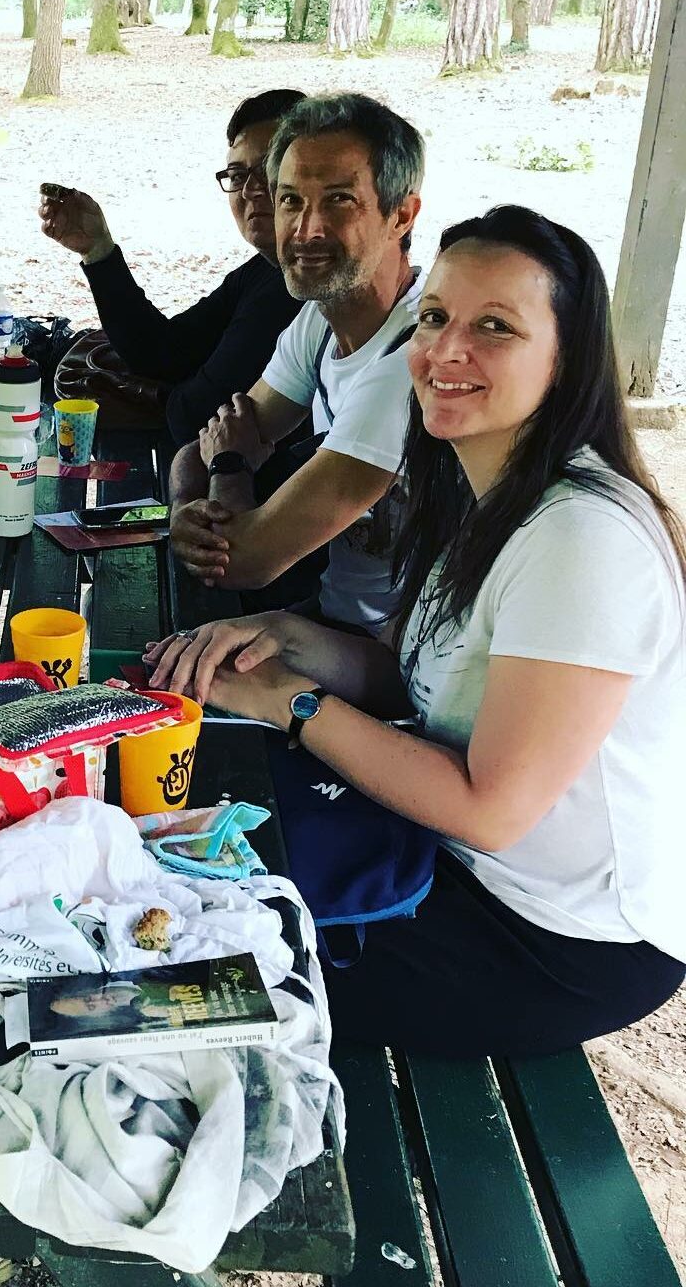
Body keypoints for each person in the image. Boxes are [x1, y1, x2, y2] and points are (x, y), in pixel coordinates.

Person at [146, 206, 686, 1057]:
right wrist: (281, 635)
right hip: (445, 862)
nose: (445, 350)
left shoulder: (583, 539)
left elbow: (492, 810)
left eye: (495, 327)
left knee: (187, 975)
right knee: (174, 866)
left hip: (551, 938)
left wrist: (293, 701)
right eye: (434, 317)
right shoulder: (484, 489)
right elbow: (417, 679)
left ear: (568, 358)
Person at [170, 92, 426, 634]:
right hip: (335, 620)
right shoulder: (320, 319)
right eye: (290, 200)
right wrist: (182, 512)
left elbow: (245, 561)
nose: (306, 230)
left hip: (404, 659)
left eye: (338, 201)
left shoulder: (413, 362)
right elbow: (199, 447)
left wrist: (232, 467)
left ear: (400, 215)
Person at [39, 88, 305, 445]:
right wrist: (98, 249)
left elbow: (195, 413)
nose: (250, 191)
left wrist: (180, 387)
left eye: (269, 169)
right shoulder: (264, 270)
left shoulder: (303, 293)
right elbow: (164, 351)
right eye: (237, 175)